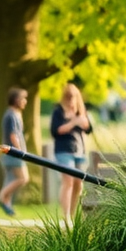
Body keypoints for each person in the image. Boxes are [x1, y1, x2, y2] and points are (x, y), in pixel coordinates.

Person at [51, 82, 94, 221]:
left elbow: (88, 129)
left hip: (79, 150)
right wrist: (73, 122)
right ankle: (66, 216)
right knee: (68, 181)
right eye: (68, 96)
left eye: (73, 96)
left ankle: (72, 212)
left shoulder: (80, 111)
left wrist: (83, 120)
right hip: (63, 150)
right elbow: (56, 131)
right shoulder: (58, 112)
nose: (71, 99)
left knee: (78, 183)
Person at [0, 87, 30, 217]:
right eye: (23, 99)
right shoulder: (11, 115)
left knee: (11, 179)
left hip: (10, 154)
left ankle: (7, 204)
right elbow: (13, 135)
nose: (25, 101)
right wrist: (20, 151)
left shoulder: (13, 114)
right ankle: (3, 196)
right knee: (23, 178)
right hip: (13, 153)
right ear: (16, 100)